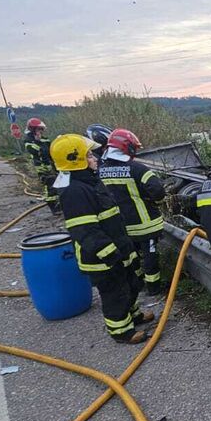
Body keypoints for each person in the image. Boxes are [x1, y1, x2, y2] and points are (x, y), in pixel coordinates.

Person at [50, 133, 153, 344]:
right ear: (75, 160)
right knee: (115, 294)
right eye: (89, 156)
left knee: (131, 283)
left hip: (118, 247)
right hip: (102, 258)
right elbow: (85, 230)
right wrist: (109, 254)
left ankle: (133, 316)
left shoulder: (90, 182)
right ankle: (122, 332)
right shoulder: (75, 192)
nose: (95, 158)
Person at [99, 128, 166, 295]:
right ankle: (154, 287)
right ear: (127, 147)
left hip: (120, 225)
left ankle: (137, 283)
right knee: (150, 256)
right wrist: (155, 202)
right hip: (145, 224)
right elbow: (157, 190)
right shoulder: (137, 168)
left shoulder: (100, 170)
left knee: (132, 255)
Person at [24, 118, 60, 213]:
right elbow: (38, 151)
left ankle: (59, 204)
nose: (41, 131)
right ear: (33, 129)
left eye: (41, 129)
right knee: (49, 186)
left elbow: (51, 150)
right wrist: (37, 141)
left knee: (57, 184)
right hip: (42, 168)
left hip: (52, 165)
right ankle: (54, 207)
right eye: (39, 129)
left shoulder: (45, 139)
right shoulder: (29, 141)